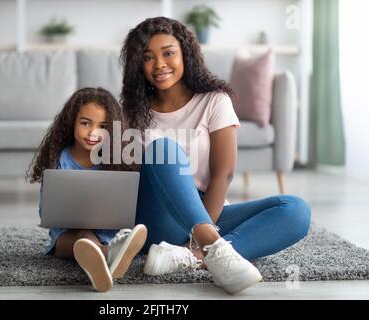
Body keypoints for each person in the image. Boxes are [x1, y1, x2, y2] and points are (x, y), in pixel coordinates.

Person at [120, 17, 311, 294]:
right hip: (157, 216)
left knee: (295, 210)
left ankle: (192, 258)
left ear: (186, 53)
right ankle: (215, 250)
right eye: (148, 57)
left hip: (207, 210)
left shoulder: (214, 100)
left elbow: (224, 173)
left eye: (168, 53)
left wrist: (201, 232)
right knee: (164, 150)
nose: (159, 64)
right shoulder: (131, 110)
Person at [27, 87, 147, 292]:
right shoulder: (59, 159)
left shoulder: (116, 160)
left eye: (102, 126)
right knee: (82, 237)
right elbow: (44, 210)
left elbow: (126, 202)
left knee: (90, 238)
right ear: (71, 122)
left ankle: (103, 254)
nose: (93, 133)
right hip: (66, 237)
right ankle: (109, 255)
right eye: (85, 123)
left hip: (107, 232)